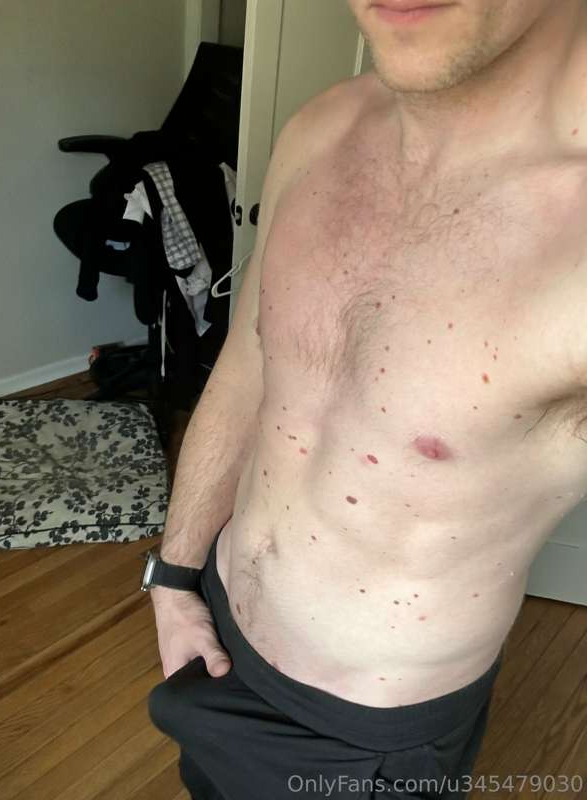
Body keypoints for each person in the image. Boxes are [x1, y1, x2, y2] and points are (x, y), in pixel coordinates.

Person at [147, 1, 587, 797]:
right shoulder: (320, 129)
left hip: (360, 737)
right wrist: (174, 580)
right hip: (215, 626)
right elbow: (248, 366)